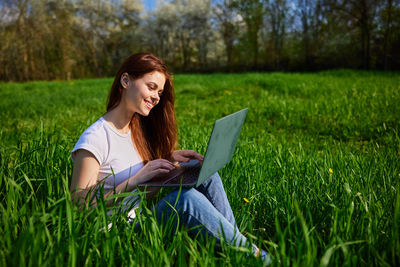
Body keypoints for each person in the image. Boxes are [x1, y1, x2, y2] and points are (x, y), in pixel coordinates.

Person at [69, 53, 270, 264]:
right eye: (151, 87)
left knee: (204, 171)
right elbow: (78, 205)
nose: (156, 97)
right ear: (125, 81)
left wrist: (170, 163)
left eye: (160, 92)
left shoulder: (135, 130)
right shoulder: (96, 138)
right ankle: (259, 258)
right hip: (115, 238)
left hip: (142, 221)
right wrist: (135, 180)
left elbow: (142, 192)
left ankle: (239, 248)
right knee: (185, 200)